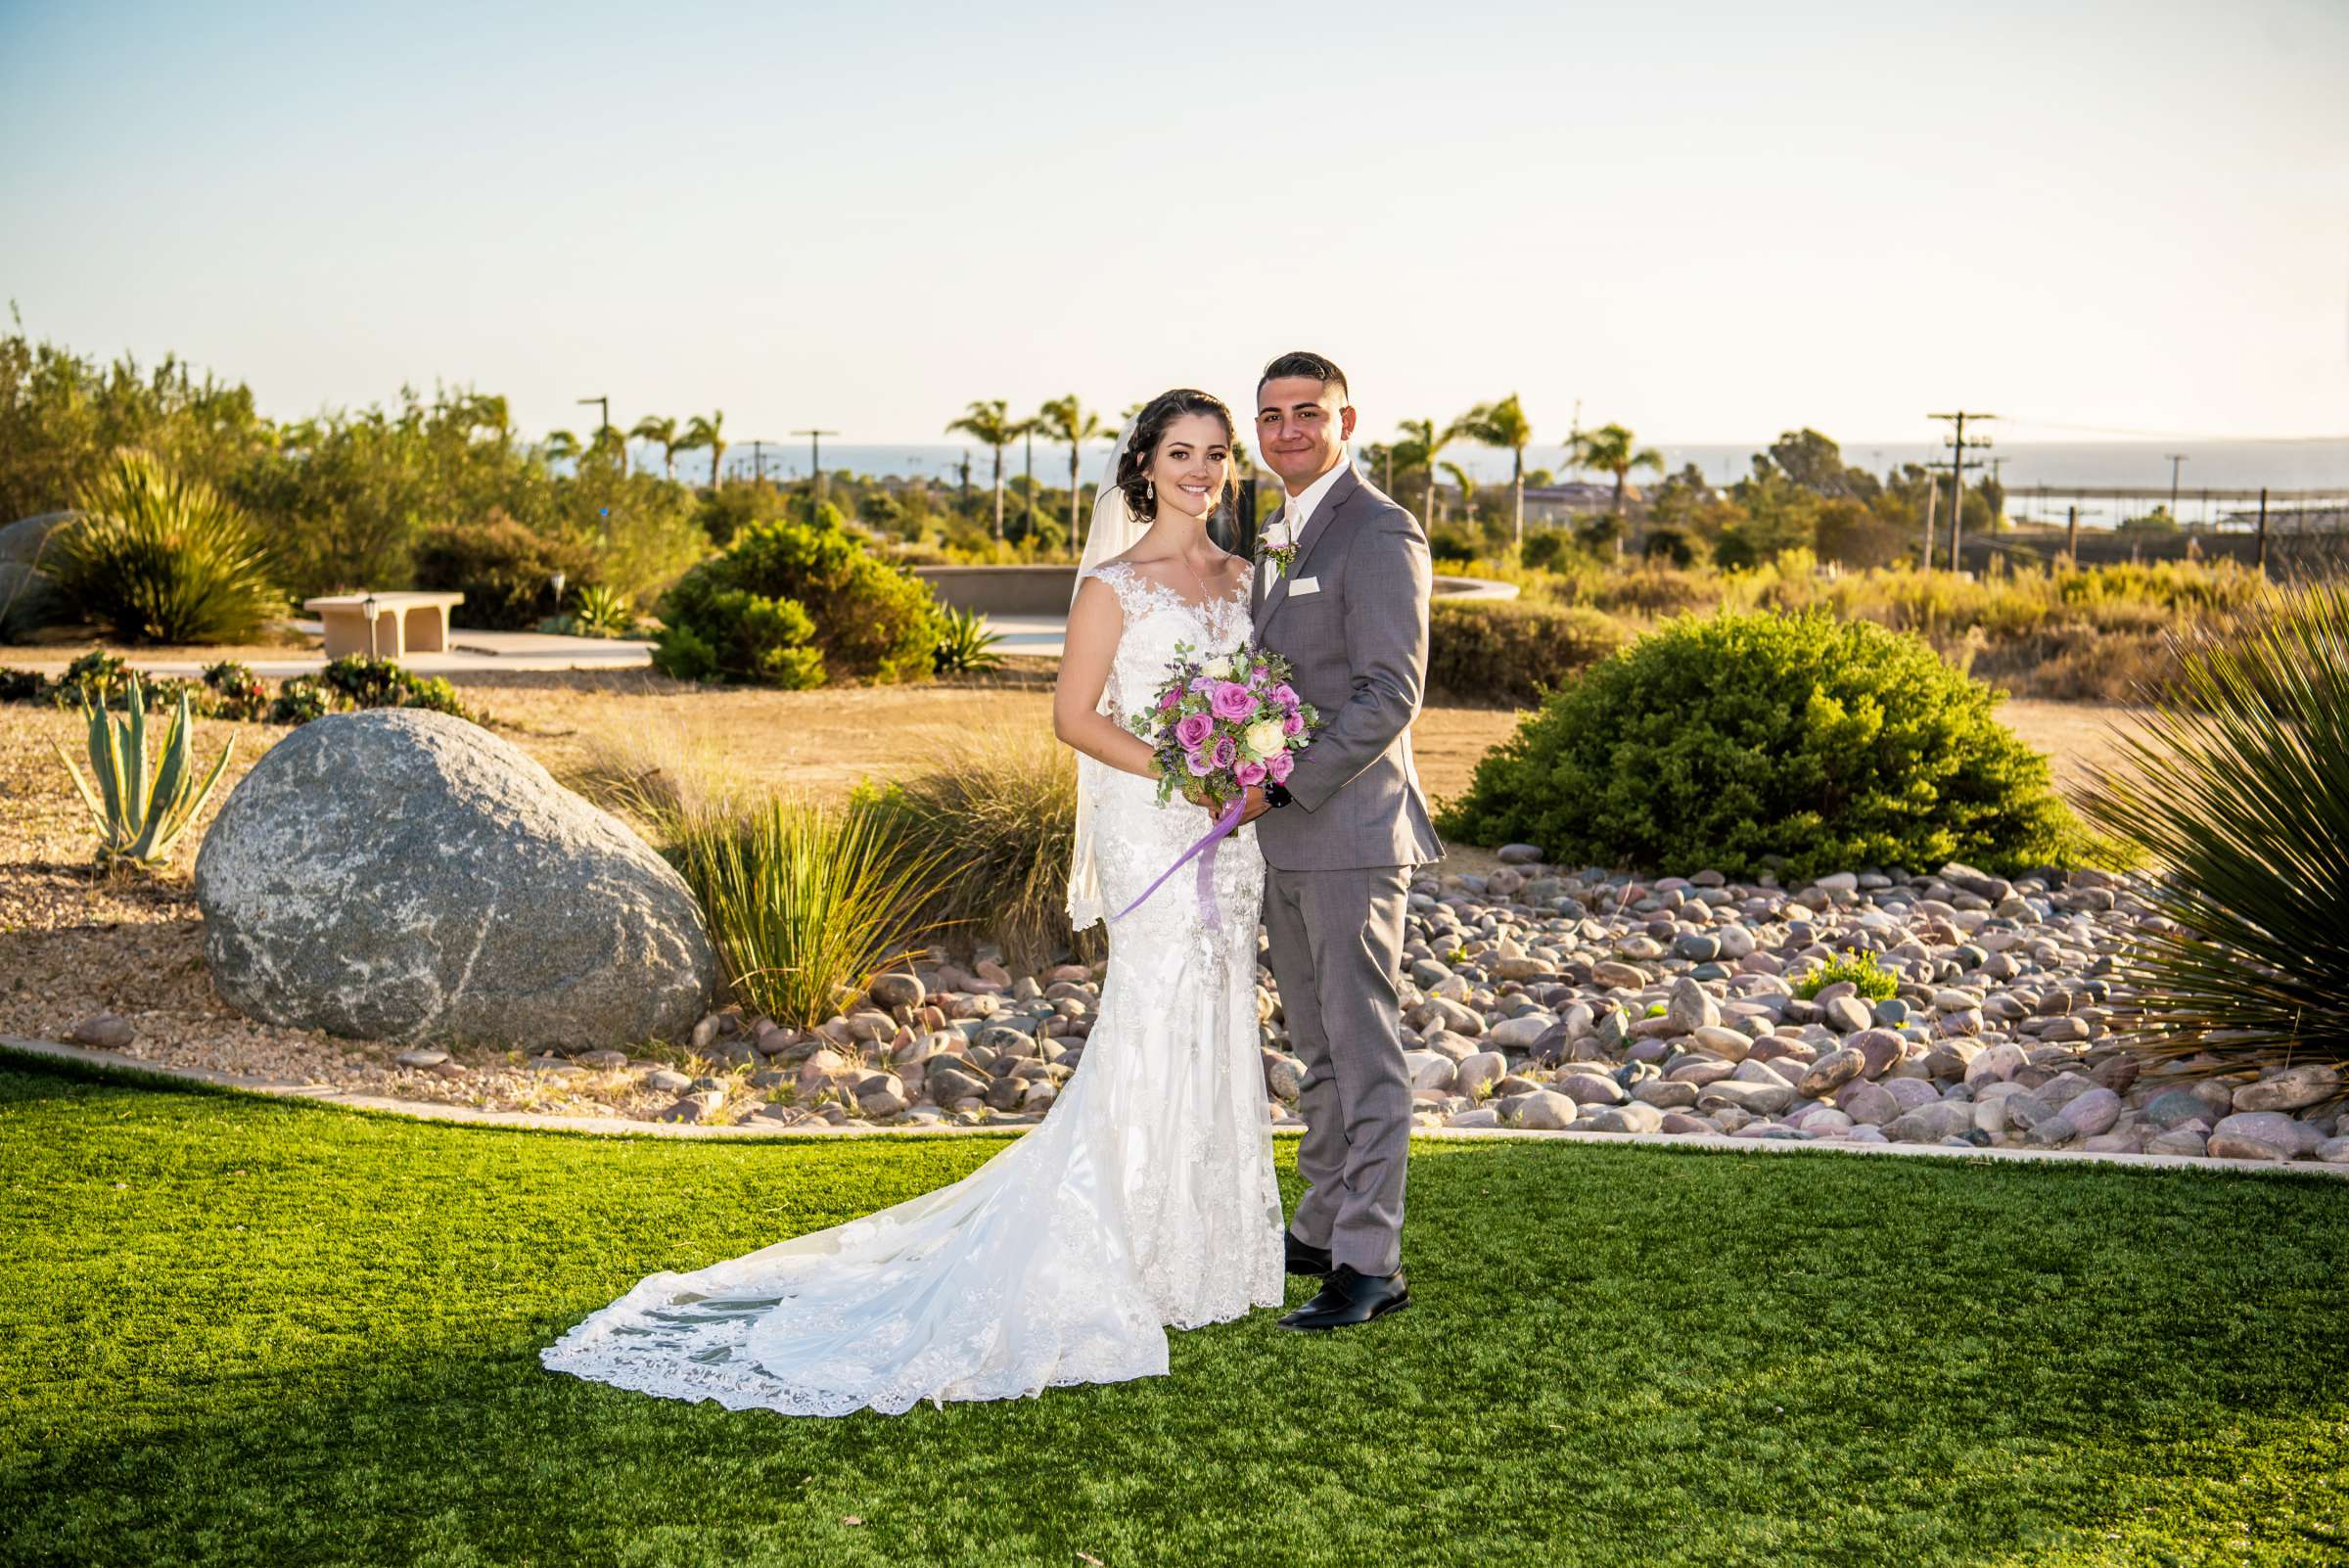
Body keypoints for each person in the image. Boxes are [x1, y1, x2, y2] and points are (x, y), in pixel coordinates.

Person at [539, 388, 1284, 1416]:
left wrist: (1251, 763)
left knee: (1215, 1013)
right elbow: (1074, 717)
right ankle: (1131, 1243)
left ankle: (1211, 1252)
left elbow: (1265, 695)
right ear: (1145, 468)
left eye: (1216, 454)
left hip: (1232, 835)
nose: (1200, 471)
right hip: (1154, 823)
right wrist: (1184, 768)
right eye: (1181, 453)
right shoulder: (1115, 585)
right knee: (1154, 1010)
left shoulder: (1250, 579)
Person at [1238, 350, 1442, 1330]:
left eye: (1306, 413)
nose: (1288, 430)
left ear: (1346, 421)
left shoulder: (1377, 530)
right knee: (1315, 1049)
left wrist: (1283, 783)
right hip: (1282, 837)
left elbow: (1390, 694)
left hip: (1351, 831)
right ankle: (1320, 1227)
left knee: (1364, 1054)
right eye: (1272, 414)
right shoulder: (1274, 529)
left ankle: (1371, 1265)